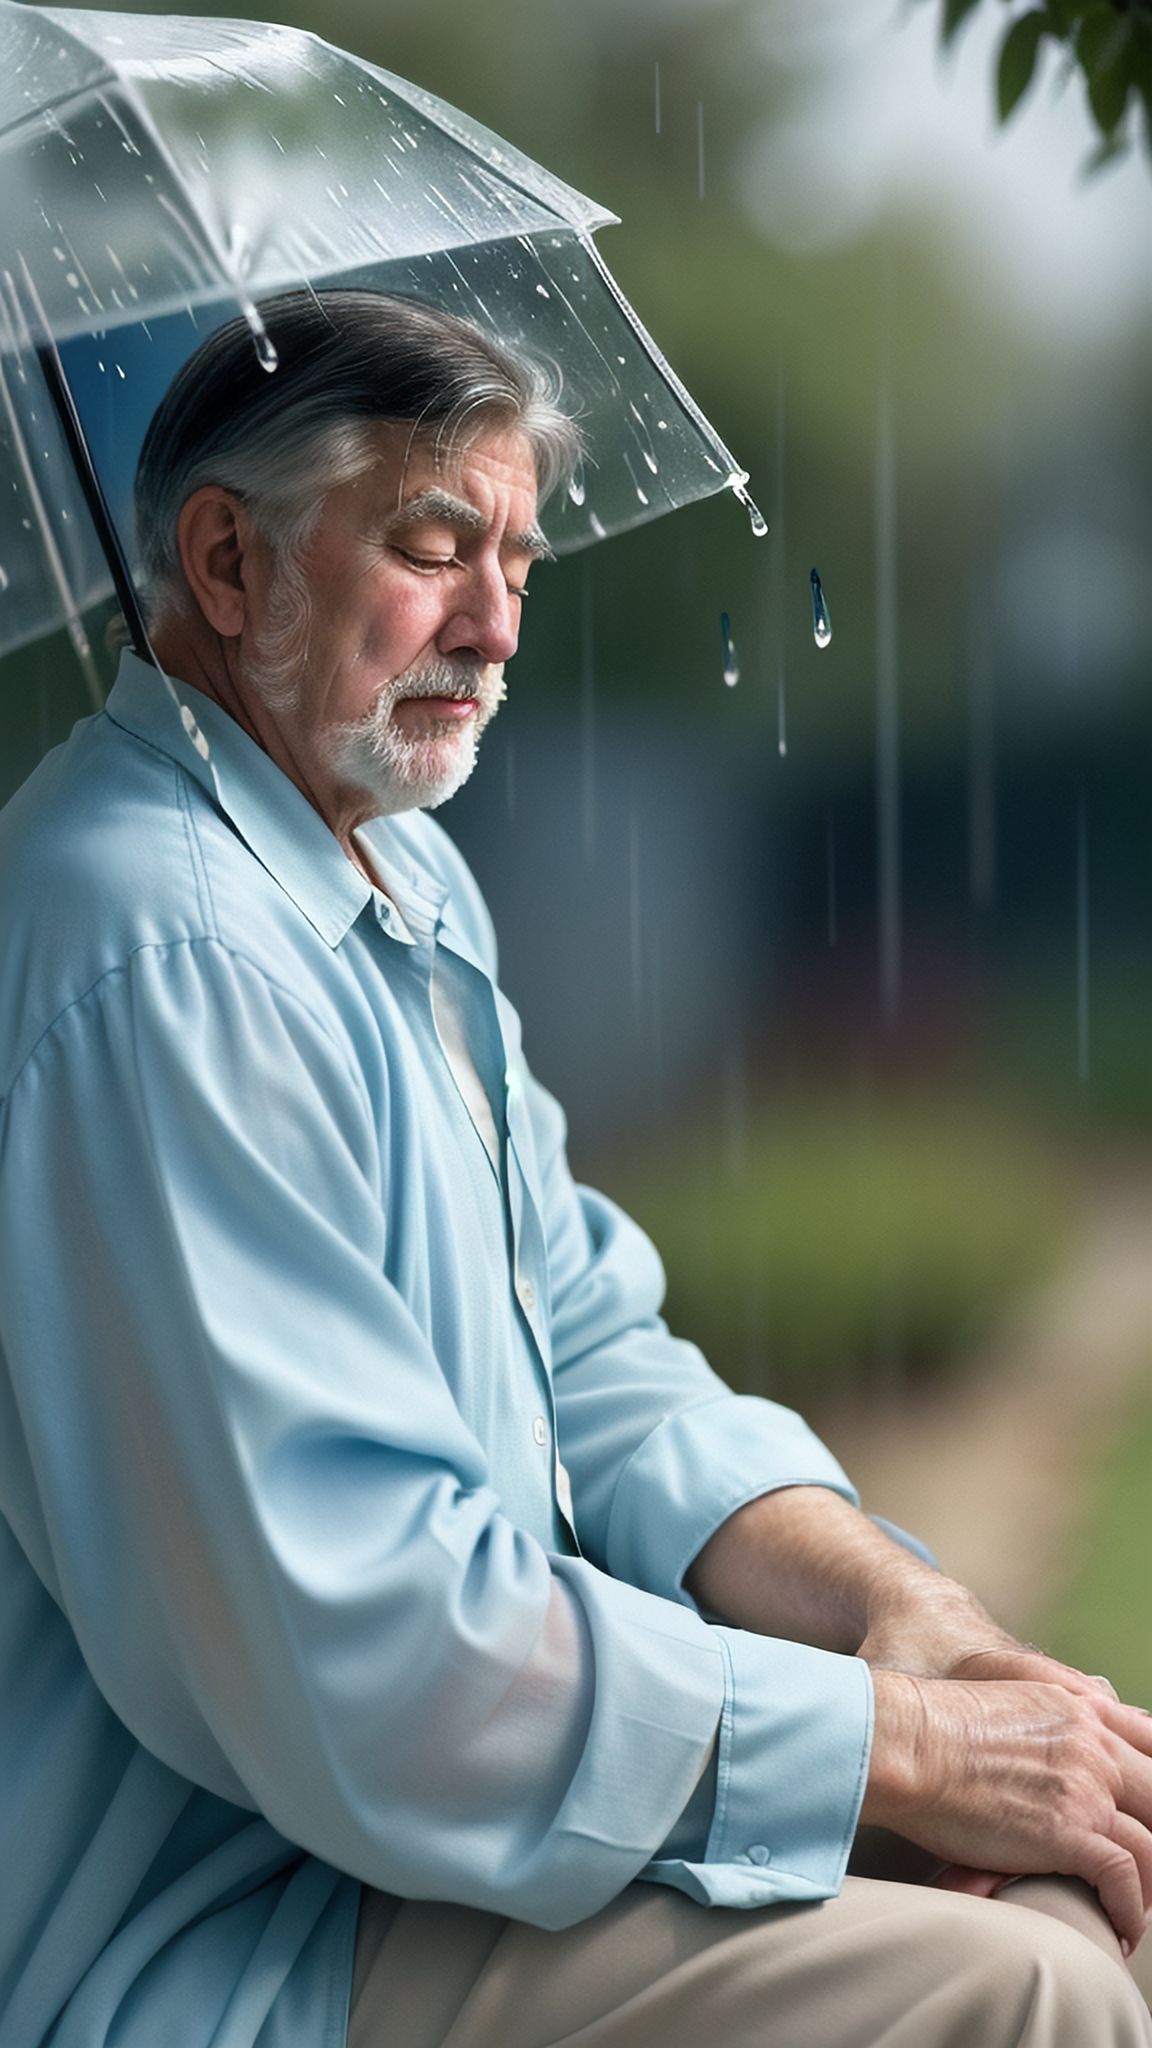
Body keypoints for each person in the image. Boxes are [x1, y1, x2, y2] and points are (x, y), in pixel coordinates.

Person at [0, 288, 1150, 2048]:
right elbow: (380, 1663)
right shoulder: (167, 954)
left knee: (1095, 1867)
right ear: (225, 565)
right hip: (239, 1935)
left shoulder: (388, 879)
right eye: (433, 542)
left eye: (519, 558)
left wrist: (904, 1620)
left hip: (425, 1853)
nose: (493, 623)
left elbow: (596, 1363)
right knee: (1033, 1986)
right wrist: (896, 1750)